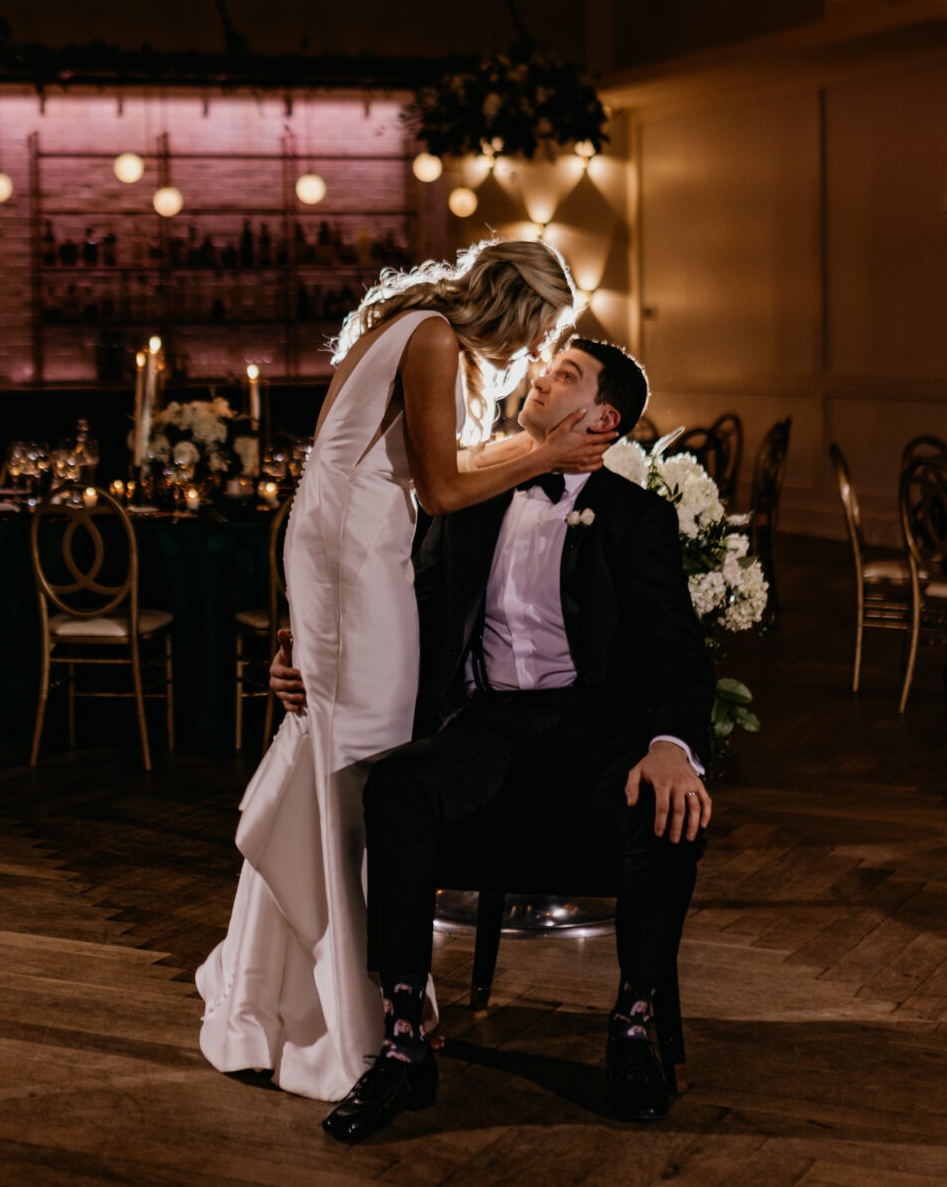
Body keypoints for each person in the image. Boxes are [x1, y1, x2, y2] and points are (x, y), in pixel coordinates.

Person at [195, 240, 611, 1105]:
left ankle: (283, 992)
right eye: (542, 329)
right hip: (353, 563)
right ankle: (341, 1013)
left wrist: (537, 446)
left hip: (343, 552)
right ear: (518, 306)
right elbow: (443, 489)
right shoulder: (430, 338)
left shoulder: (415, 327)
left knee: (350, 751)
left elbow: (413, 474)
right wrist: (547, 453)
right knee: (361, 757)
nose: (538, 350)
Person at [290, 339, 717, 1141]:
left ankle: (632, 1023)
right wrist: (312, 662)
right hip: (488, 728)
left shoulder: (636, 518)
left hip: (594, 733)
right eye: (546, 365)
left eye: (565, 374)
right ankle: (404, 1039)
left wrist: (670, 745)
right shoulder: (469, 500)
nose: (540, 375)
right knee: (399, 788)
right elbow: (403, 612)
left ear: (603, 419)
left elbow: (678, 653)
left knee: (666, 809)